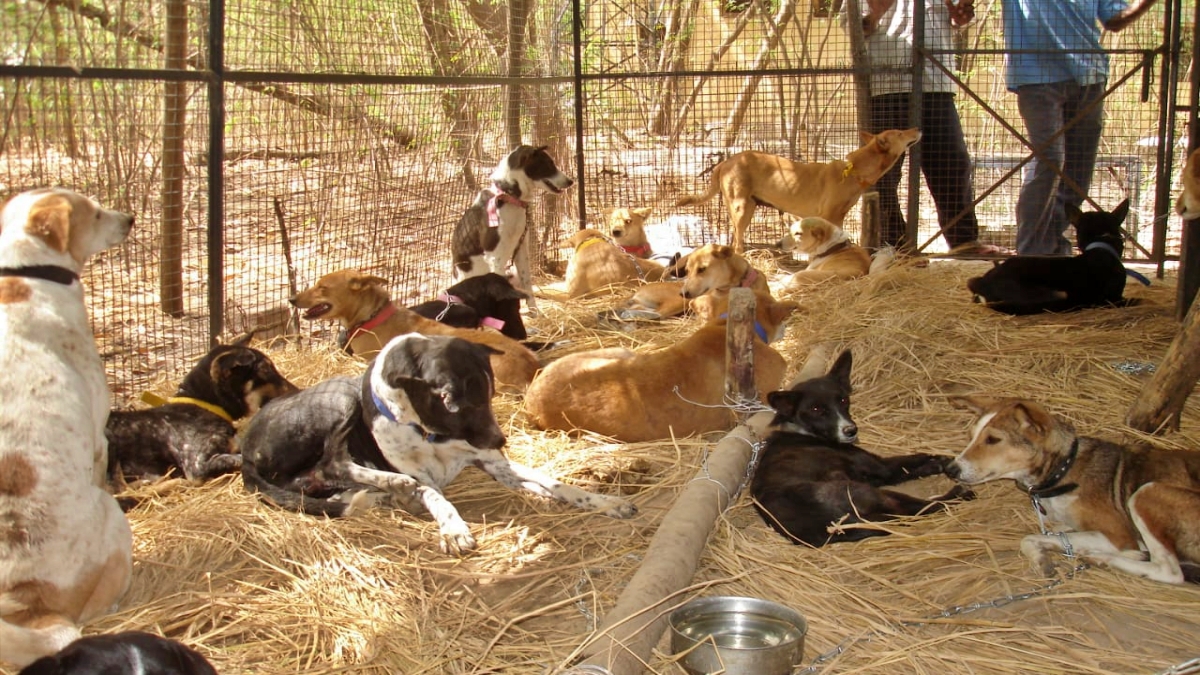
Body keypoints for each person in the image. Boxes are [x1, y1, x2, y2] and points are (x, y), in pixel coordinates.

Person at [1001, 0, 1157, 254]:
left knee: (1079, 168)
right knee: (1049, 160)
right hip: (1036, 74)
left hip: (1089, 73)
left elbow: (1114, 19)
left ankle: (1054, 245)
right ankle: (1031, 253)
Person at [851, 0, 989, 253]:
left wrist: (961, 15)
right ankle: (894, 245)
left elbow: (960, 21)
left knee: (952, 164)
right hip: (886, 88)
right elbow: (854, 30)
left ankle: (963, 242)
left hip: (935, 84)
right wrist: (878, 11)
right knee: (882, 173)